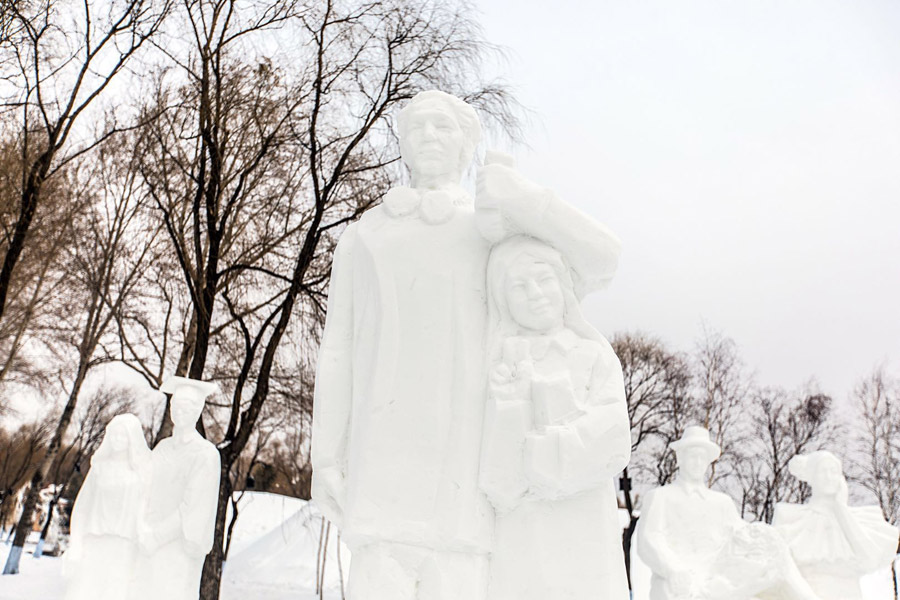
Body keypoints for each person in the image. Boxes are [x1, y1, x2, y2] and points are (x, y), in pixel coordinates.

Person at [311, 90, 622, 600]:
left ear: (467, 143)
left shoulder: (492, 232)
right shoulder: (362, 238)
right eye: (417, 129)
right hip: (379, 460)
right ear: (403, 145)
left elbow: (602, 259)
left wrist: (523, 197)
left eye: (443, 127)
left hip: (465, 468)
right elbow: (337, 350)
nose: (429, 138)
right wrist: (326, 455)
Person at [479, 235, 631, 600]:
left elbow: (613, 436)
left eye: (543, 280)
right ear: (504, 301)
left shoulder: (592, 356)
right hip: (522, 530)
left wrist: (547, 450)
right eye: (519, 286)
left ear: (563, 286)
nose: (535, 293)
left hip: (582, 523)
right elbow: (496, 479)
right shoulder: (498, 366)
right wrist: (509, 408)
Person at [637, 426, 822, 600]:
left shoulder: (721, 502)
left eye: (702, 458)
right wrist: (673, 570)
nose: (697, 462)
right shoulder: (660, 497)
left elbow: (743, 535)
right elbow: (649, 541)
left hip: (717, 583)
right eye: (693, 456)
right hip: (678, 586)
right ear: (680, 459)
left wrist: (776, 535)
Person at [131, 377, 220, 600]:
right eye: (176, 406)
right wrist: (142, 527)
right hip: (147, 541)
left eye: (187, 407)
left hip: (176, 548)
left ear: (198, 411)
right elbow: (144, 487)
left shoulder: (205, 454)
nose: (180, 411)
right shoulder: (162, 448)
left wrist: (157, 537)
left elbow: (193, 508)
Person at [773, 451, 899, 600]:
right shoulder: (791, 518)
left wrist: (841, 510)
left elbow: (870, 558)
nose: (828, 477)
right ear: (812, 477)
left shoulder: (862, 519)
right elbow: (778, 569)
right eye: (822, 471)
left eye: (833, 471)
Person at [64, 413, 150, 600]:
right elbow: (82, 508)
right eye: (114, 435)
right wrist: (76, 543)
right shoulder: (99, 469)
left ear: (132, 439)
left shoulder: (140, 474)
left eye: (123, 435)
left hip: (124, 547)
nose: (118, 440)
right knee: (86, 590)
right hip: (94, 543)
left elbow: (145, 509)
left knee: (116, 592)